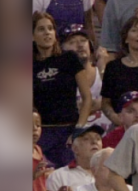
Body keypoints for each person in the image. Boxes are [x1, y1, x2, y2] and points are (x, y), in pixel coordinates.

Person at [33, 11, 95, 167]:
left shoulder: (69, 59)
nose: (47, 33)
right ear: (32, 35)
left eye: (50, 28)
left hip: (69, 129)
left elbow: (87, 98)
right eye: (41, 29)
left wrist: (78, 130)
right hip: (42, 133)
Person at [101, 17, 138, 127]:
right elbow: (105, 103)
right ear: (126, 38)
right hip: (121, 126)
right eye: (134, 30)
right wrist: (114, 117)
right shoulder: (113, 68)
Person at [60, 24, 108, 133]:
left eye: (83, 40)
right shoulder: (60, 79)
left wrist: (102, 68)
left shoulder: (102, 72)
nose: (80, 45)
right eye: (72, 42)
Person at [45, 123, 104, 191]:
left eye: (98, 138)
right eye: (86, 139)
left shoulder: (111, 176)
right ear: (75, 148)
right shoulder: (59, 176)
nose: (94, 142)